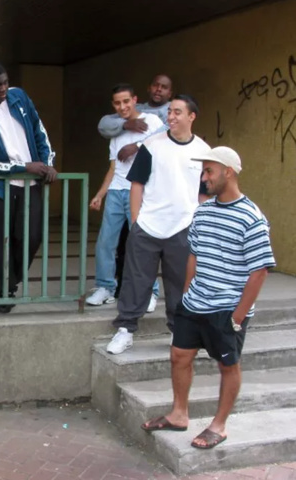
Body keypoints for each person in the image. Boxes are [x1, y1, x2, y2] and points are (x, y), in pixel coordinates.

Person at [141, 146, 275, 449]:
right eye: (203, 171)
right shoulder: (203, 211)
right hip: (195, 303)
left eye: (209, 171)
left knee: (228, 366)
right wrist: (187, 293)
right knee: (179, 355)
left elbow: (260, 271)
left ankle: (219, 425)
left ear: (228, 172)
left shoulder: (251, 217)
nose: (204, 178)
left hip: (227, 309)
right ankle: (179, 414)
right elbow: (194, 254)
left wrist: (238, 315)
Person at [106, 95, 210, 355]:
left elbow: (204, 192)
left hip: (183, 227)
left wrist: (199, 221)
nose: (171, 117)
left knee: (180, 284)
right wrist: (137, 220)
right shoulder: (152, 145)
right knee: (135, 281)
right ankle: (125, 330)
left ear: (191, 117)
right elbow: (137, 184)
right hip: (148, 226)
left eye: (177, 112)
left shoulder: (204, 151)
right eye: (170, 112)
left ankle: (179, 333)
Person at [0, 60, 58, 313]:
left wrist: (47, 163)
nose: (3, 88)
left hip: (31, 185)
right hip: (0, 188)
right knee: (1, 240)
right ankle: (3, 291)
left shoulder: (19, 98)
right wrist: (24, 167)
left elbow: (40, 133)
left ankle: (10, 280)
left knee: (32, 236)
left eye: (5, 82)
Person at [87, 84, 164, 310]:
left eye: (126, 101)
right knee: (105, 242)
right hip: (116, 192)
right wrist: (100, 195)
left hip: (141, 191)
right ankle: (105, 288)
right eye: (118, 103)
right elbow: (113, 168)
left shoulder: (152, 121)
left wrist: (137, 145)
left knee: (141, 243)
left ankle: (150, 291)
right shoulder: (117, 131)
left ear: (135, 100)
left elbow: (165, 141)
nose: (122, 107)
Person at [98, 74, 173, 141]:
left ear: (169, 94)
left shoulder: (173, 111)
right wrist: (125, 124)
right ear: (148, 88)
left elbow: (170, 134)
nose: (159, 89)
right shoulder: (135, 108)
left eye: (164, 87)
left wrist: (138, 145)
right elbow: (103, 124)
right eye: (155, 85)